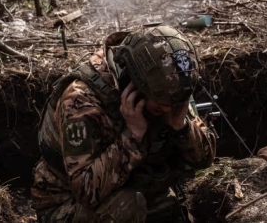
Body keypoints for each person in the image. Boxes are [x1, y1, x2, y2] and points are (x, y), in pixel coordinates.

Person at [32, 25, 216, 222]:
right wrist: (133, 136)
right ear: (136, 83)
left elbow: (204, 160)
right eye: (162, 105)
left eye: (175, 104)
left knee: (173, 211)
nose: (170, 110)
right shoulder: (81, 101)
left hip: (138, 188)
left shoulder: (172, 86)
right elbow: (85, 191)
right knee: (127, 206)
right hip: (66, 203)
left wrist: (182, 128)